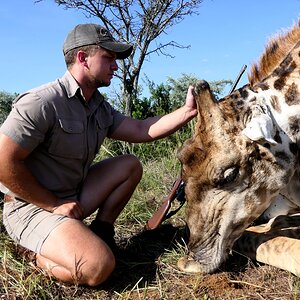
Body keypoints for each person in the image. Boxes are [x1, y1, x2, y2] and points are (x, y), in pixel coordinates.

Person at [0, 23, 197, 286]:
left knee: (129, 165)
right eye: (109, 58)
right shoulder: (41, 102)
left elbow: (141, 129)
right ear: (82, 58)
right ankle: (38, 255)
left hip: (71, 197)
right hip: (32, 206)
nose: (115, 66)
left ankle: (101, 233)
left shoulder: (98, 106)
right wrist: (52, 205)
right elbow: (3, 162)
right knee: (97, 266)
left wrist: (186, 112)